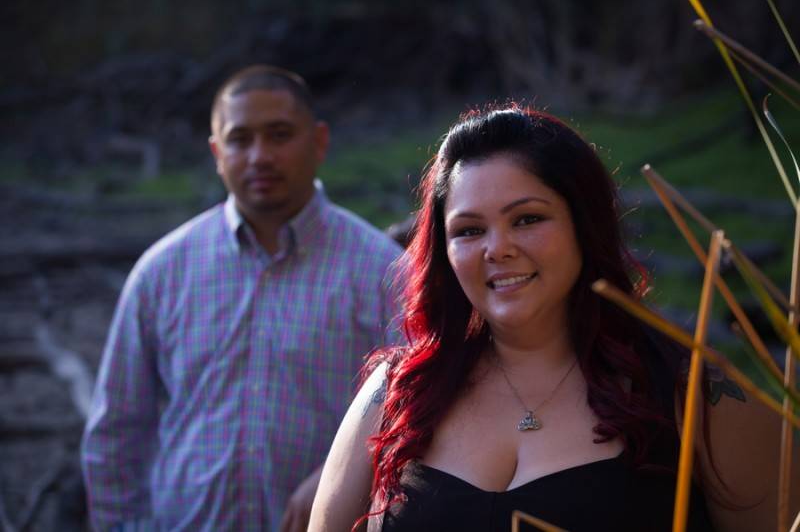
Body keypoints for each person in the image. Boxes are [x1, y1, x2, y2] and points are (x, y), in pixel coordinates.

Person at [308, 104, 798, 531]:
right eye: (470, 229)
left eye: (527, 219)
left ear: (584, 225)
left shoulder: (693, 397)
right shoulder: (397, 391)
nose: (497, 249)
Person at [81, 64, 402, 531]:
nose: (259, 156)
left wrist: (353, 466)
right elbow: (116, 435)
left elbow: (423, 405)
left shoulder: (382, 271)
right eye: (240, 139)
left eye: (279, 135)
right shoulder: (161, 272)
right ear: (216, 151)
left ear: (319, 142)